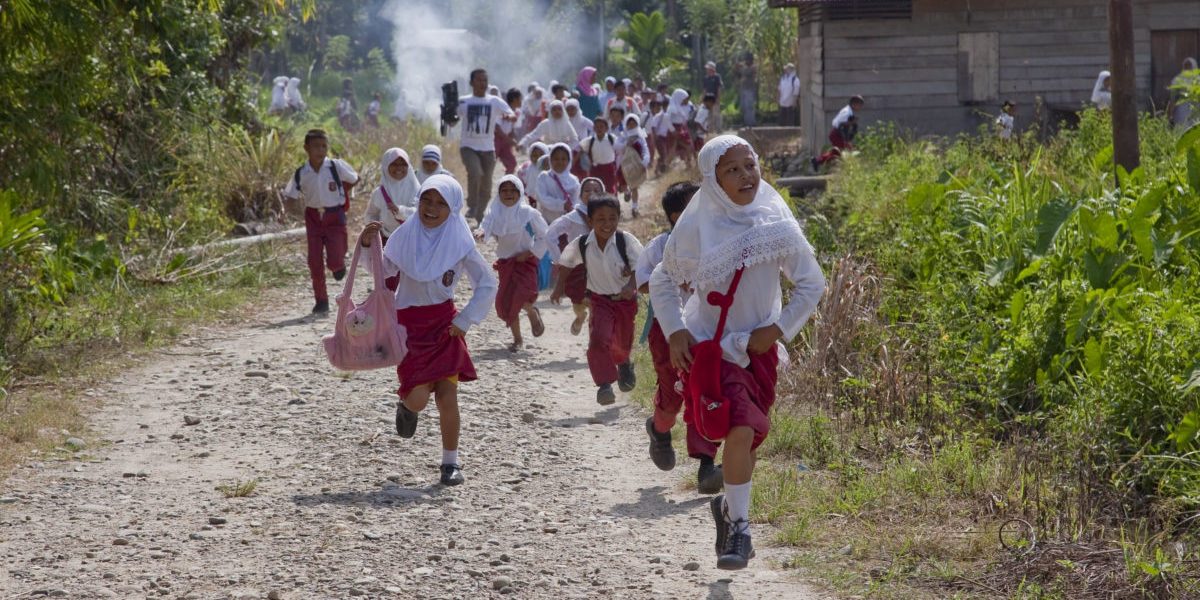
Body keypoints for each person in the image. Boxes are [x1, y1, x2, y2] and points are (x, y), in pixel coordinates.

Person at [649, 135, 825, 570]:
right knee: (741, 429)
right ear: (712, 180)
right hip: (714, 351)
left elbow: (811, 283)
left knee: (748, 439)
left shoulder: (774, 220)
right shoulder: (697, 225)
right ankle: (741, 532)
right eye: (733, 170)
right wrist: (674, 331)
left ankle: (727, 510)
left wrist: (778, 330)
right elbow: (662, 281)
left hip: (759, 352)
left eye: (751, 165)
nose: (747, 175)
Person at [364, 174, 498, 487]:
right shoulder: (404, 235)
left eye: (441, 203)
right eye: (427, 199)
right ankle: (406, 407)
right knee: (419, 398)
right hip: (409, 327)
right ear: (419, 200)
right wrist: (370, 245)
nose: (432, 208)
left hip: (445, 328)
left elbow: (488, 283)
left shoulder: (461, 242)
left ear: (453, 208)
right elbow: (383, 275)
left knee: (448, 398)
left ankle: (450, 463)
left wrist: (464, 320)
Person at [636, 181, 723, 493]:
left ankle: (706, 465)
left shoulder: (718, 241)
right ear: (676, 216)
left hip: (708, 327)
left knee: (704, 393)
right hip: (668, 330)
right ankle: (659, 429)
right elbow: (644, 281)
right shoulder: (661, 246)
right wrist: (677, 280)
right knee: (673, 397)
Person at [552, 196, 644, 406]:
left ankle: (624, 363)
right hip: (600, 300)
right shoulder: (583, 244)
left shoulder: (625, 241)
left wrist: (631, 285)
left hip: (624, 302)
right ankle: (604, 385)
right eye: (600, 219)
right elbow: (566, 263)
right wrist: (559, 288)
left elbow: (641, 265)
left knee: (621, 341)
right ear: (590, 221)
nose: (607, 224)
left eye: (612, 218)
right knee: (598, 340)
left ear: (619, 218)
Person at [283, 129, 359, 314]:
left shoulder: (335, 166)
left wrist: (342, 191)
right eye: (316, 146)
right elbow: (291, 194)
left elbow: (354, 178)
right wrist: (287, 211)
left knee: (336, 253)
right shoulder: (302, 173)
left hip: (335, 215)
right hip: (313, 217)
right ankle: (321, 300)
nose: (320, 150)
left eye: (324, 146)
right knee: (314, 260)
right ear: (306, 148)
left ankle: (338, 265)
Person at [475, 175, 548, 351]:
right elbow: (485, 226)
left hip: (526, 263)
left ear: (519, 192)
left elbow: (545, 235)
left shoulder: (528, 213)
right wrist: (480, 233)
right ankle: (517, 340)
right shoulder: (494, 212)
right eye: (504, 190)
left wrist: (530, 253)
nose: (508, 194)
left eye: (512, 190)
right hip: (506, 264)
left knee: (522, 297)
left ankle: (532, 312)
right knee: (507, 302)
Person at [546, 177, 604, 336]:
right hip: (578, 268)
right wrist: (559, 260)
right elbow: (550, 234)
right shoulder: (573, 216)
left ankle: (595, 341)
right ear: (580, 193)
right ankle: (580, 317)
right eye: (587, 190)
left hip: (600, 267)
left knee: (599, 304)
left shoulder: (607, 215)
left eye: (596, 190)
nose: (591, 193)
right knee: (578, 302)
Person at [458, 68, 517, 222]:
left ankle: (480, 214)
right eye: (479, 80)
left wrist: (509, 116)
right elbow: (452, 119)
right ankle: (472, 204)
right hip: (468, 147)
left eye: (485, 80)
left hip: (487, 148)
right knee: (476, 172)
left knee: (486, 185)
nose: (482, 83)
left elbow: (510, 113)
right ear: (472, 82)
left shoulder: (494, 101)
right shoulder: (464, 101)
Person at [366, 148, 419, 241]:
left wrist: (401, 211)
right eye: (394, 164)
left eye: (403, 164)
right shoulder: (379, 193)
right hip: (385, 240)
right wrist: (375, 227)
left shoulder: (417, 190)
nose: (399, 168)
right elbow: (371, 214)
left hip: (410, 239)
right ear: (386, 166)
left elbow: (420, 214)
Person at [812, 95, 864, 171]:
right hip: (836, 134)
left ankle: (817, 161)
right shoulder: (847, 112)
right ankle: (850, 168)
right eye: (859, 105)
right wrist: (851, 123)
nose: (860, 108)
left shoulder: (849, 111)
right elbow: (840, 124)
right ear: (854, 104)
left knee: (836, 153)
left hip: (836, 134)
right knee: (848, 149)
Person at [534, 143, 580, 226]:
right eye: (556, 159)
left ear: (569, 160)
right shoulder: (544, 177)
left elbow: (576, 201)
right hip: (547, 221)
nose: (560, 162)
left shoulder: (573, 180)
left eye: (563, 159)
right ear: (550, 160)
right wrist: (562, 205)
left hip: (567, 224)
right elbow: (542, 198)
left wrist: (570, 207)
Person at [616, 114, 650, 217]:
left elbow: (645, 149)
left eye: (633, 122)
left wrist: (645, 161)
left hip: (636, 165)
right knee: (623, 183)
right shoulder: (623, 135)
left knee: (634, 186)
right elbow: (617, 147)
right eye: (629, 123)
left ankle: (635, 208)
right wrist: (626, 144)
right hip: (624, 165)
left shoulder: (641, 136)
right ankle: (626, 192)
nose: (631, 124)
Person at [581, 118, 620, 194]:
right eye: (597, 127)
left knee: (610, 188)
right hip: (595, 169)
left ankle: (611, 204)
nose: (599, 129)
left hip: (609, 168)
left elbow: (619, 151)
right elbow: (581, 150)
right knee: (596, 189)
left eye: (601, 126)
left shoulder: (612, 138)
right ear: (594, 128)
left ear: (606, 128)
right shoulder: (589, 141)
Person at [495, 88, 523, 175]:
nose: (521, 101)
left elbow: (511, 129)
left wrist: (515, 141)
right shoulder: (502, 110)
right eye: (520, 99)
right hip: (495, 139)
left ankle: (506, 183)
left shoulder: (515, 112)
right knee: (489, 164)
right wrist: (510, 140)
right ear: (515, 99)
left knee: (512, 163)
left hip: (505, 141)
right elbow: (497, 128)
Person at [667, 89, 696, 168]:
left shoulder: (679, 107)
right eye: (684, 99)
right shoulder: (671, 108)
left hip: (680, 129)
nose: (686, 101)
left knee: (687, 146)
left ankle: (688, 164)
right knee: (673, 149)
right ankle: (666, 165)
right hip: (674, 130)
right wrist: (673, 130)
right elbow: (667, 120)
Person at [1170, 58, 1199, 129]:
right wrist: (1170, 114)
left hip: (1194, 109)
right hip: (1183, 110)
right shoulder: (1178, 80)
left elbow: (1172, 100)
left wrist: (1170, 114)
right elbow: (1173, 99)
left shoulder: (1177, 79)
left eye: (1189, 66)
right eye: (1187, 66)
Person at [734, 53, 758, 127]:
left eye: (747, 60)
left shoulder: (753, 67)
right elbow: (738, 73)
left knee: (749, 107)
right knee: (743, 106)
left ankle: (751, 123)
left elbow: (747, 72)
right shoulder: (745, 67)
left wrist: (741, 66)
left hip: (750, 89)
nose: (746, 61)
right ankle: (746, 122)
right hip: (743, 89)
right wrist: (737, 66)